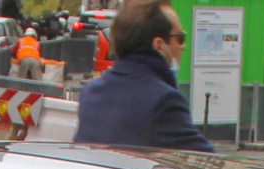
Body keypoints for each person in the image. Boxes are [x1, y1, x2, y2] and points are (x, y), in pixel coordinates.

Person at [75, 0, 213, 150]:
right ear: (160, 45)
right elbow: (207, 161)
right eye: (180, 38)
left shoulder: (91, 92)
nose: (183, 46)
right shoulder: (163, 101)